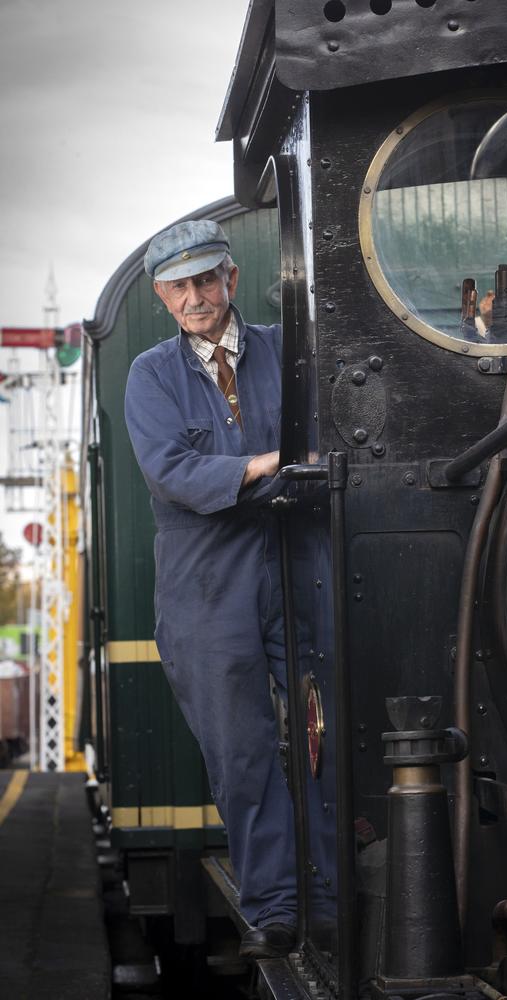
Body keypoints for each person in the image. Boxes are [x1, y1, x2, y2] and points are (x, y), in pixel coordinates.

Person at [124, 219, 297, 959]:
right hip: (204, 589)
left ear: (230, 276)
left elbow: (324, 448)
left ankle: (330, 894)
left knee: (327, 730)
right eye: (179, 286)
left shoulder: (288, 350)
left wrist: (253, 471)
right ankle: (279, 908)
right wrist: (262, 467)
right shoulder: (149, 375)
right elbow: (173, 475)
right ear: (163, 296)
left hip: (296, 569)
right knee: (241, 751)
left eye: (206, 280)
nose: (196, 297)